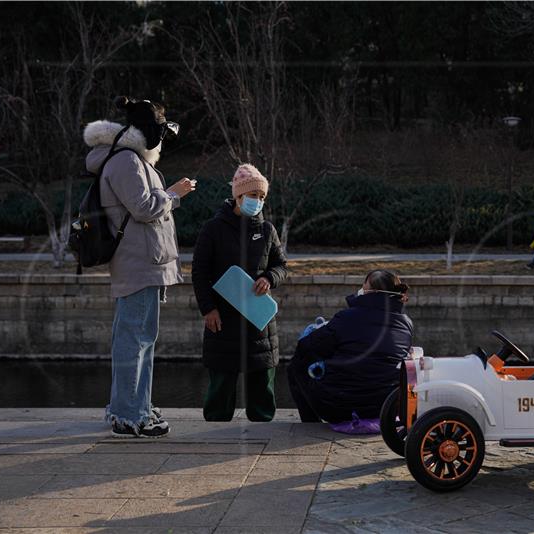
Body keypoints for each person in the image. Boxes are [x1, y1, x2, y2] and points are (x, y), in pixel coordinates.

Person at [84, 96, 196, 438]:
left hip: (145, 262)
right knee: (134, 340)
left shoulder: (127, 160)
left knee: (139, 339)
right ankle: (130, 414)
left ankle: (136, 406)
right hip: (138, 263)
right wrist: (175, 194)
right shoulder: (125, 162)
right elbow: (145, 208)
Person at [191, 164, 288, 422]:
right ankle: (215, 428)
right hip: (223, 318)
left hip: (259, 318)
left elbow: (281, 266)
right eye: (254, 195)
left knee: (261, 381)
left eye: (262, 197)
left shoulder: (267, 230)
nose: (258, 201)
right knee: (221, 383)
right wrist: (208, 309)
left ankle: (263, 427)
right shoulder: (213, 229)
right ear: (238, 196)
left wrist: (269, 277)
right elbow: (199, 272)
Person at [287, 270, 414, 425]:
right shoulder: (406, 323)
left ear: (371, 291)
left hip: (340, 408)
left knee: (296, 365)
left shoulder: (346, 318)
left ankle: (310, 424)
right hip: (385, 407)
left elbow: (306, 348)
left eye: (363, 286)